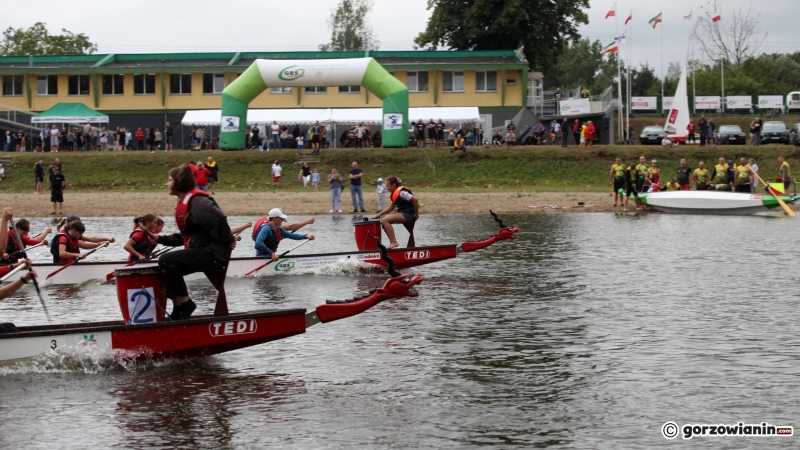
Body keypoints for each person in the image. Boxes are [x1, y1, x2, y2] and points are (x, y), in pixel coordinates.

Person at [153, 165, 236, 321]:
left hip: (212, 254)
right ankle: (178, 308)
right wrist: (160, 239)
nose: (167, 183)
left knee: (167, 261)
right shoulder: (189, 201)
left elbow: (218, 218)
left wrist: (229, 239)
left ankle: (186, 303)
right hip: (205, 251)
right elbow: (187, 236)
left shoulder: (197, 201)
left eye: (169, 180)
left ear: (179, 182)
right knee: (164, 266)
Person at [373, 176, 419, 249]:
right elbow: (391, 208)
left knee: (385, 220)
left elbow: (415, 200)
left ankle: (393, 242)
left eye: (387, 186)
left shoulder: (402, 193)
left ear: (393, 185)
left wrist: (416, 214)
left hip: (408, 214)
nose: (386, 188)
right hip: (404, 213)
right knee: (384, 222)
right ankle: (392, 242)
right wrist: (380, 214)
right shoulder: (395, 194)